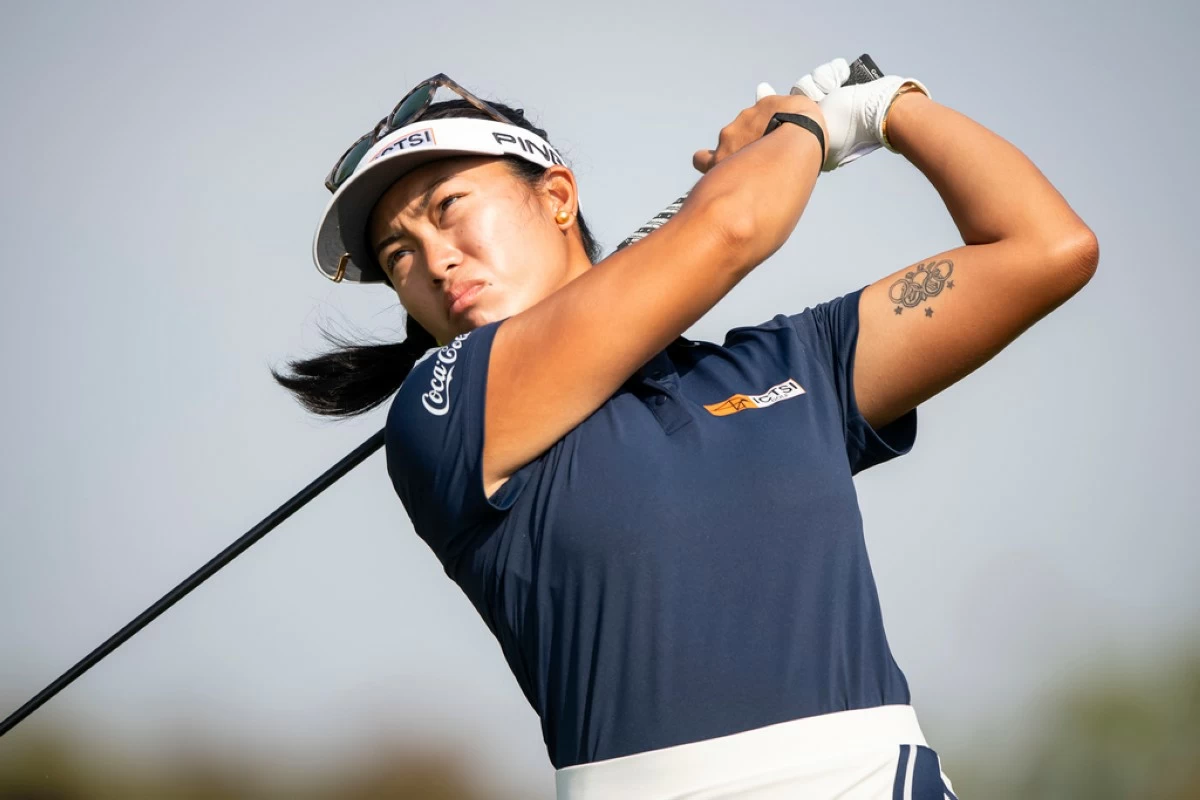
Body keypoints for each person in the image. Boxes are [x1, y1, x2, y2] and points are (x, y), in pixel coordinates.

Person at [275, 61, 1098, 798]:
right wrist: (804, 125)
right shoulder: (443, 411)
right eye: (399, 254)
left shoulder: (796, 364)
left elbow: (1046, 249)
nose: (436, 260)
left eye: (448, 208)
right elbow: (732, 228)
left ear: (556, 197)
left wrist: (890, 108)